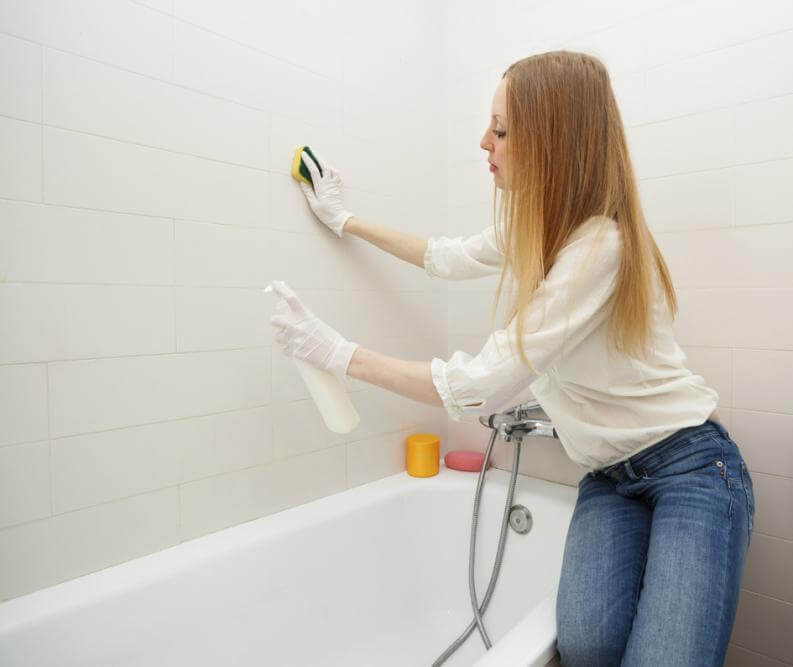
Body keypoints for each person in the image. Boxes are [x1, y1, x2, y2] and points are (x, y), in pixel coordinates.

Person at [269, 50, 754, 666]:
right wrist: (345, 220)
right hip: (608, 478)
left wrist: (335, 353)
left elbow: (478, 387)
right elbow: (443, 257)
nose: (483, 142)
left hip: (688, 467)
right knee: (586, 648)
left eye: (500, 129)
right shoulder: (536, 224)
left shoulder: (599, 245)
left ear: (552, 139)